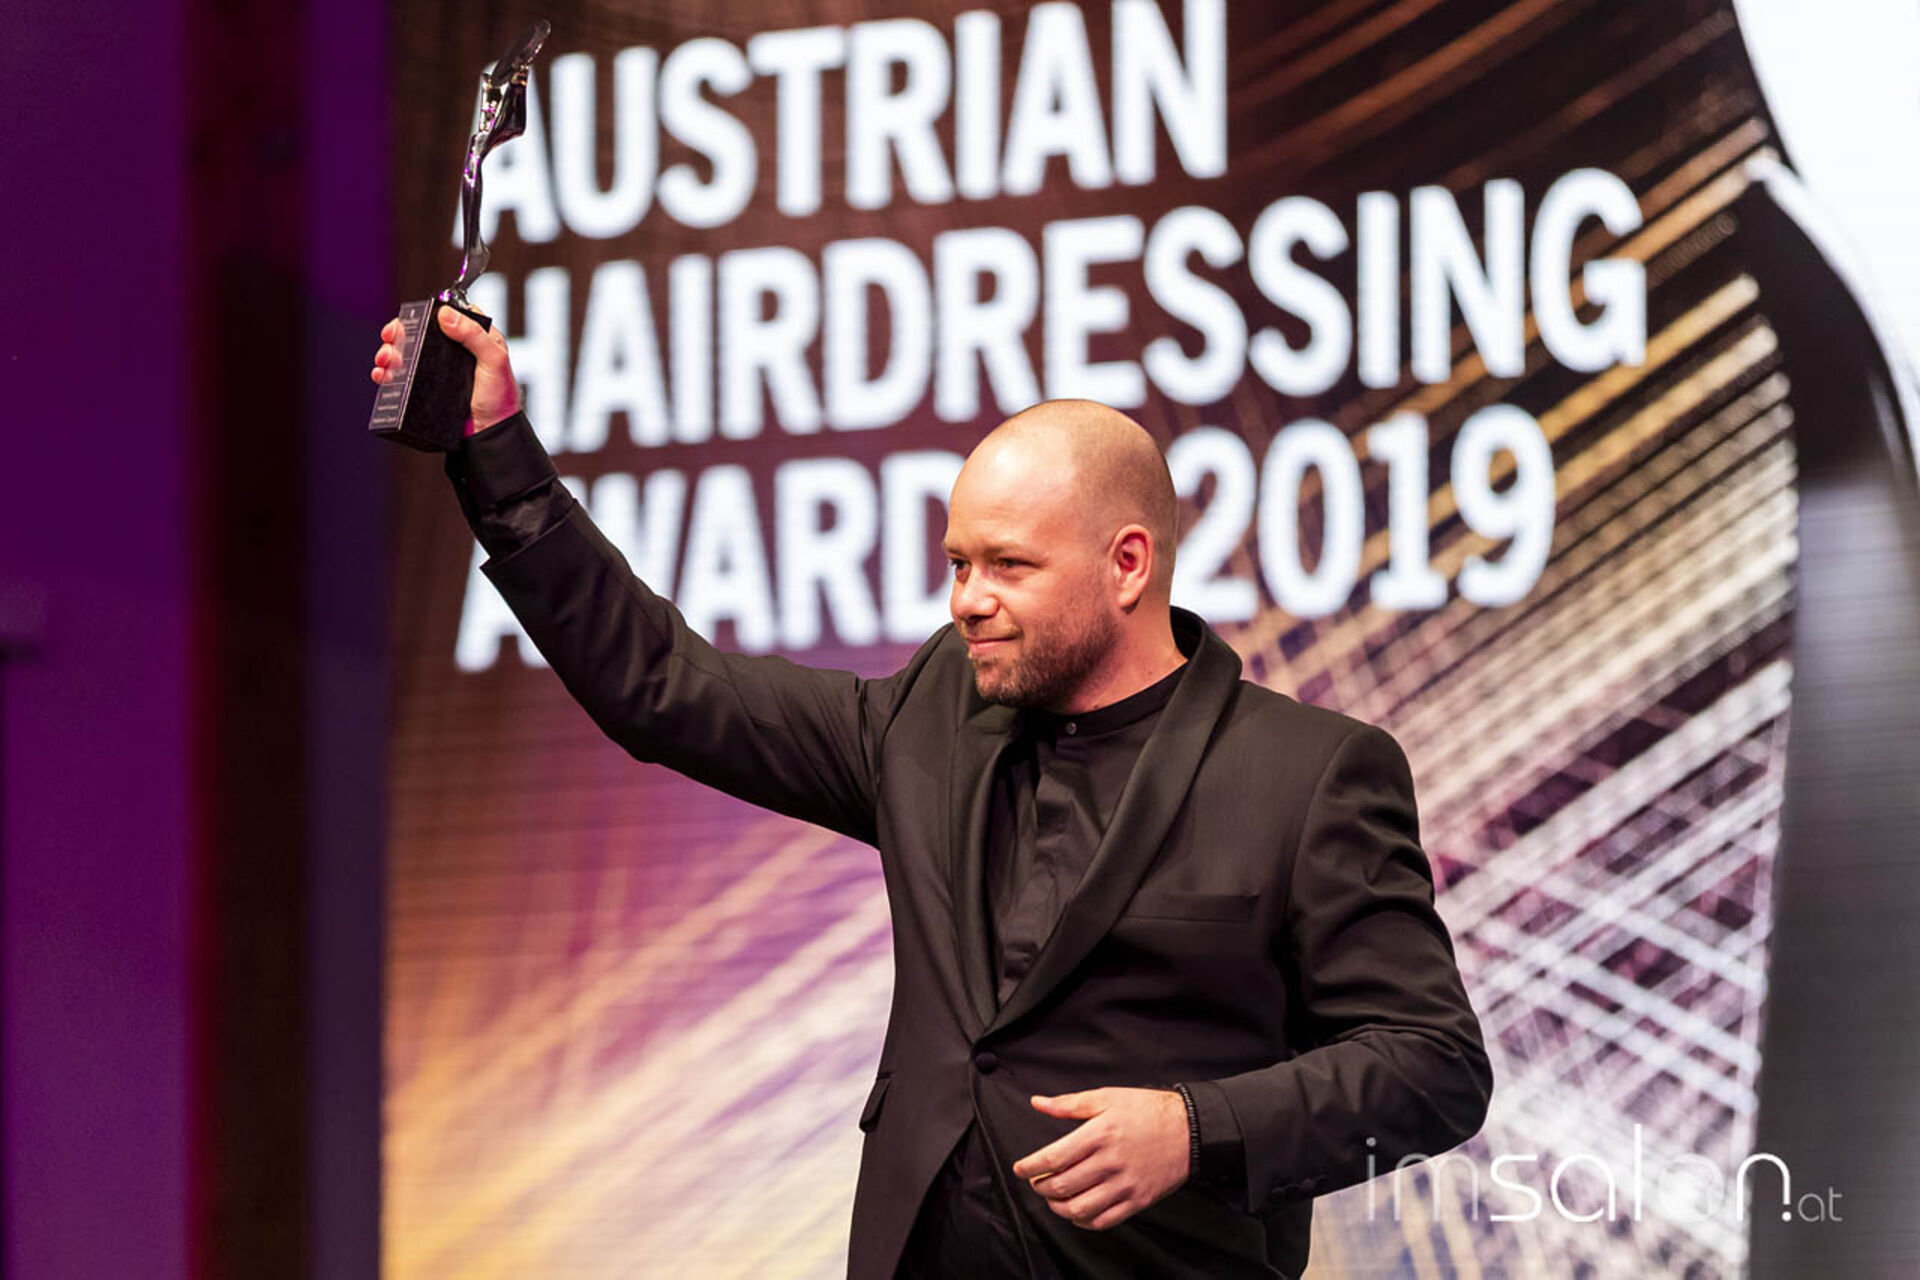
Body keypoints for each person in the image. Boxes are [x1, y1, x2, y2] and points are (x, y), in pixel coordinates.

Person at [371, 309, 1493, 1279]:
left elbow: (1433, 1064)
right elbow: (661, 683)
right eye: (959, 563)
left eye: (1008, 565)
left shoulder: (1306, 773)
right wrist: (498, 452)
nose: (967, 599)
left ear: (1128, 564)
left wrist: (1198, 1128)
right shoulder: (929, 721)